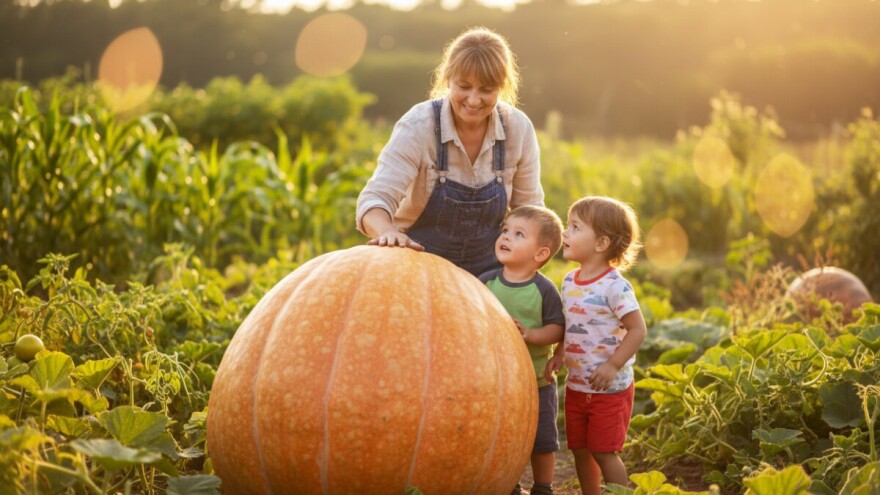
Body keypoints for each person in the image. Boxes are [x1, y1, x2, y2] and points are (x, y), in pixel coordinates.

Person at [356, 27, 544, 276]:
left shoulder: (517, 129)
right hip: (416, 265)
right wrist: (387, 232)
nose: (474, 100)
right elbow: (375, 200)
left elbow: (531, 213)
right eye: (464, 86)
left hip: (491, 272)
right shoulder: (418, 126)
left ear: (502, 87)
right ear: (448, 79)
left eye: (486, 90)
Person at [544, 196, 647, 495]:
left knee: (604, 451)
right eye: (568, 225)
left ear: (601, 243)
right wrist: (560, 353)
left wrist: (613, 365)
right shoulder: (569, 281)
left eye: (575, 227)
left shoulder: (615, 286)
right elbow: (571, 324)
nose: (565, 233)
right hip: (578, 386)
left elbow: (637, 330)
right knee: (580, 449)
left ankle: (619, 493)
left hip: (609, 388)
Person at [478, 205, 565, 495]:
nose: (506, 237)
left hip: (536, 381)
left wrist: (530, 334)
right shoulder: (486, 282)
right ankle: (510, 484)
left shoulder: (543, 290)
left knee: (542, 441)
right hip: (498, 383)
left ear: (540, 254)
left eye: (518, 234)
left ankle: (543, 487)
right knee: (504, 438)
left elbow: (557, 328)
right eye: (505, 231)